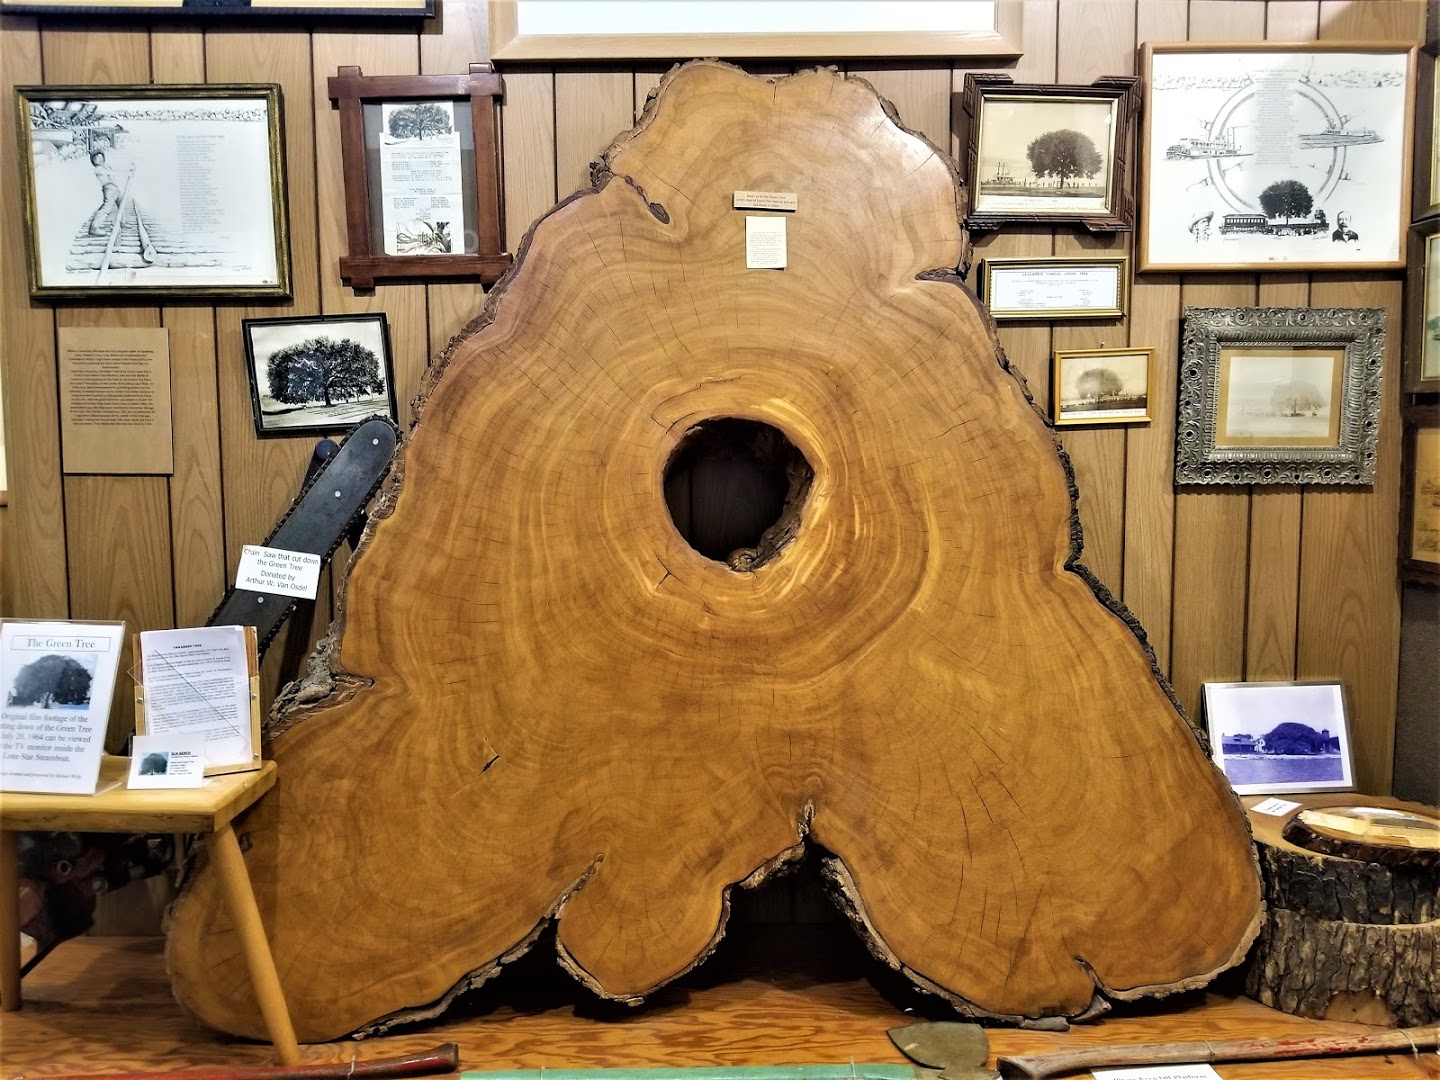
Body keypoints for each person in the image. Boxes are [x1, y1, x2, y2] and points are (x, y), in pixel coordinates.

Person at [86, 149, 121, 237]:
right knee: (106, 208)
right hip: (109, 189)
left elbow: (113, 174)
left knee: (121, 204)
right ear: (93, 161)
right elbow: (110, 173)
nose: (100, 159)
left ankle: (122, 222)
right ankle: (94, 228)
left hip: (115, 188)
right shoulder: (98, 169)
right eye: (96, 158)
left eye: (101, 157)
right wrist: (127, 172)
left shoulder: (106, 166)